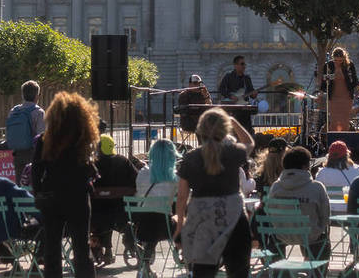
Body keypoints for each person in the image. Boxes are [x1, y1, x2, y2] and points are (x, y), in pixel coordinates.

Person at [175, 107, 254, 278]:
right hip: (233, 218)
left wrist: (180, 224)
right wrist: (234, 122)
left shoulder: (190, 158)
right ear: (225, 130)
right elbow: (249, 143)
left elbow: (181, 197)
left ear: (200, 130)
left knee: (202, 273)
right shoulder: (233, 153)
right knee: (239, 272)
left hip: (202, 220)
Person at [32, 91, 100, 278]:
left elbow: (36, 170)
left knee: (52, 248)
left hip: (51, 196)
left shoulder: (46, 140)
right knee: (81, 247)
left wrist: (38, 192)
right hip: (77, 196)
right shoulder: (82, 139)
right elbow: (87, 167)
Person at [266, 146, 331, 267]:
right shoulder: (316, 187)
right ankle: (318, 273)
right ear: (305, 166)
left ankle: (280, 273)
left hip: (281, 235)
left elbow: (270, 214)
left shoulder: (276, 187)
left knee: (273, 237)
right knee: (323, 239)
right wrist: (318, 230)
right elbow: (325, 216)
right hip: (311, 235)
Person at [90, 134, 138, 266]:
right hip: (121, 214)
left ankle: (106, 250)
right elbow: (136, 180)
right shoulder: (123, 161)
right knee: (112, 208)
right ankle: (114, 247)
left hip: (96, 215)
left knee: (103, 211)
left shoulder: (93, 164)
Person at [134, 139, 180, 274]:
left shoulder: (143, 172)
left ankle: (146, 259)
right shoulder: (175, 177)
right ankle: (183, 256)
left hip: (141, 225)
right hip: (164, 227)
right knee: (181, 218)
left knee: (152, 216)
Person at [7, 80, 46, 184]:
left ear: (23, 95)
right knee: (33, 184)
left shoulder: (14, 111)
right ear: (37, 95)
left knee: (19, 183)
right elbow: (41, 135)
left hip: (17, 153)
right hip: (33, 153)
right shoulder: (38, 112)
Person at [320, 47, 359, 132]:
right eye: (336, 60)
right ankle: (334, 141)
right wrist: (320, 95)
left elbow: (355, 80)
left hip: (346, 98)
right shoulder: (328, 66)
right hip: (333, 97)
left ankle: (344, 141)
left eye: (340, 61)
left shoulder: (349, 65)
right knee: (334, 121)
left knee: (345, 121)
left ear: (344, 58)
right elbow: (323, 83)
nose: (338, 62)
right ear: (333, 58)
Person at [217, 55, 257, 135]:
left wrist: (254, 94)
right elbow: (221, 89)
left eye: (244, 64)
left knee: (246, 132)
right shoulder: (228, 76)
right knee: (233, 132)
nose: (244, 66)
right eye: (242, 64)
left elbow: (251, 93)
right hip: (233, 111)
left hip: (245, 111)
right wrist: (230, 96)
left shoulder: (247, 78)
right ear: (236, 65)